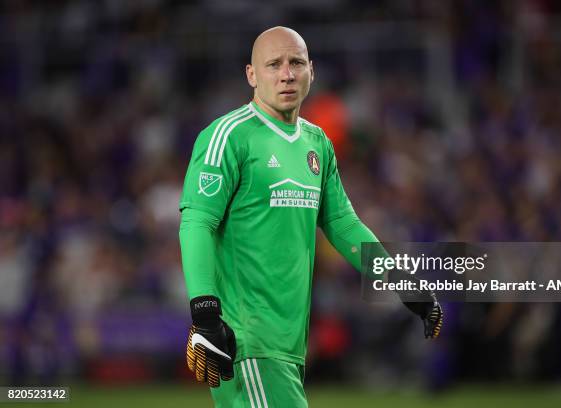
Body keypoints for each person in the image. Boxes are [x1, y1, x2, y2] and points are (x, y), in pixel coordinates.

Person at [179, 26, 443, 407]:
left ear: (311, 72)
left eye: (296, 63)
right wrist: (204, 314)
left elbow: (342, 224)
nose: (286, 73)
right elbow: (196, 223)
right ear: (252, 75)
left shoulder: (317, 142)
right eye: (273, 64)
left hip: (288, 346)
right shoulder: (228, 136)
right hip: (247, 340)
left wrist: (404, 283)